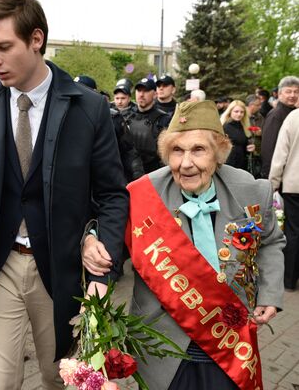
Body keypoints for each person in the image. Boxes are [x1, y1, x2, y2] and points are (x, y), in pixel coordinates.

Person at [0, 0, 129, 389]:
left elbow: (112, 193)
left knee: (58, 376)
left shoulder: (88, 107)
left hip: (61, 268)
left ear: (36, 39)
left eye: (3, 46)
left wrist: (103, 261)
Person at [82, 100, 284, 390]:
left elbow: (270, 242)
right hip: (162, 347)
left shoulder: (251, 189)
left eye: (198, 150)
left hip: (229, 344)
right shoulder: (142, 194)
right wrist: (90, 239)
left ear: (218, 153)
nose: (185, 163)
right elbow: (108, 231)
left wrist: (270, 292)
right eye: (177, 150)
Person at [75, 75, 144, 182]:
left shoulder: (112, 118)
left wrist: (137, 176)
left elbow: (129, 151)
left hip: (107, 179)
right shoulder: (65, 116)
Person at [269, 108, 299, 291]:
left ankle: (289, 280)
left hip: (294, 184)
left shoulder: (293, 117)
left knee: (293, 231)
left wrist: (273, 183)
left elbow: (281, 153)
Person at [122, 78, 171, 173]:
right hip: (127, 174)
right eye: (139, 91)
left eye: (146, 91)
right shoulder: (125, 116)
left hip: (153, 175)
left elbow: (166, 153)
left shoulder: (163, 119)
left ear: (155, 94)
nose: (141, 95)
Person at [260, 76, 299, 178]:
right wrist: (271, 178)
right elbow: (268, 148)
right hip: (280, 177)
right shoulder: (276, 115)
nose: (292, 95)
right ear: (280, 94)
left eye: (296, 92)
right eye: (288, 91)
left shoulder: (293, 113)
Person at [220, 100, 255, 171]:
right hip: (229, 165)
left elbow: (243, 144)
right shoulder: (224, 127)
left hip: (242, 164)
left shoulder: (244, 126)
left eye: (242, 112)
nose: (239, 114)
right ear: (230, 112)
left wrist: (250, 148)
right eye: (236, 111)